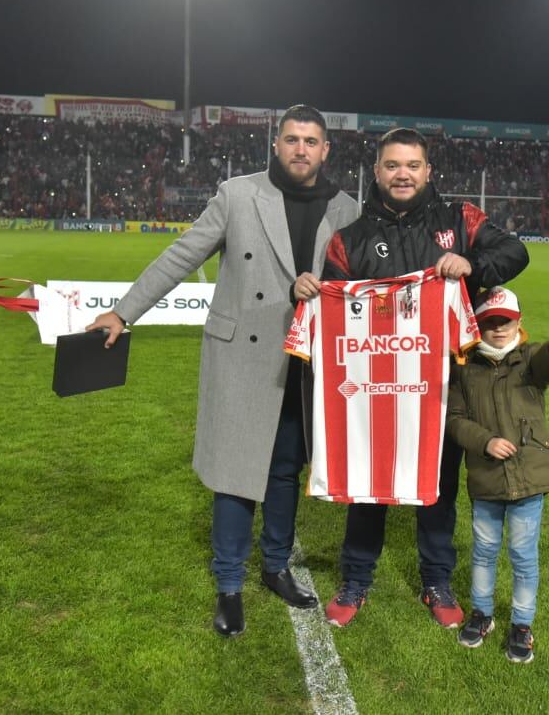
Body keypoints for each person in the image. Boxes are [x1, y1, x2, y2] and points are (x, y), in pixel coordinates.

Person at [86, 105, 358, 637]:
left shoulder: (346, 209)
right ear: (275, 145)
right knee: (236, 475)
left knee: (285, 468)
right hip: (244, 354)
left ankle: (276, 567)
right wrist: (123, 311)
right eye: (292, 139)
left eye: (311, 141)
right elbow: (181, 255)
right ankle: (229, 585)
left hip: (309, 361)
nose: (301, 149)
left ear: (326, 151)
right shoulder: (237, 194)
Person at [321, 126, 529, 628]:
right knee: (369, 484)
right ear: (377, 172)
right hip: (373, 387)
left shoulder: (458, 220)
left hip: (443, 385)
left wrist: (472, 262)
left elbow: (516, 252)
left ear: (427, 170)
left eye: (412, 165)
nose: (402, 174)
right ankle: (356, 579)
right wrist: (308, 292)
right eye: (392, 165)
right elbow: (331, 308)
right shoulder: (349, 240)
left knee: (437, 488)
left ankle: (436, 580)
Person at [445, 287, 549, 663]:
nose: (499, 329)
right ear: (478, 326)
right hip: (486, 479)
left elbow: (547, 362)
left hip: (529, 480)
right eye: (490, 323)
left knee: (523, 556)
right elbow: (453, 421)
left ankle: (522, 624)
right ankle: (482, 614)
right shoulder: (464, 367)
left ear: (519, 322)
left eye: (505, 321)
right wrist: (485, 441)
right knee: (484, 552)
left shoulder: (529, 360)